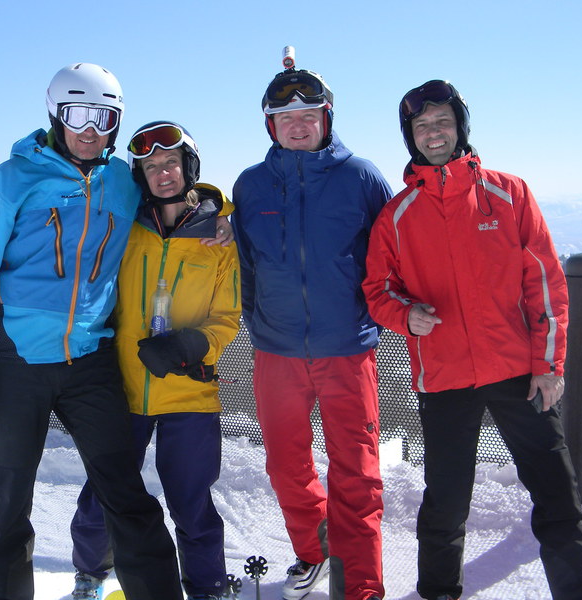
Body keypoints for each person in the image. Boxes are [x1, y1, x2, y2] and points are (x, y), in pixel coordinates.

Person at [0, 63, 185, 600]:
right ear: (56, 115)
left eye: (104, 117)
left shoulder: (122, 182)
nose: (90, 129)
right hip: (16, 364)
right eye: (77, 115)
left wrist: (210, 211)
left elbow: (174, 199)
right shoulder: (11, 180)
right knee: (7, 500)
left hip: (90, 360)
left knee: (126, 492)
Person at [362, 80, 582, 600]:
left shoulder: (508, 193)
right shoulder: (397, 215)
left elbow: (545, 283)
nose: (433, 133)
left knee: (557, 494)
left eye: (442, 122)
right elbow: (377, 290)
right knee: (446, 500)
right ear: (410, 136)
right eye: (422, 126)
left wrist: (549, 365)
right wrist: (406, 315)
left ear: (461, 127)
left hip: (520, 372)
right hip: (444, 376)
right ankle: (438, 592)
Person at [231, 49, 393, 600]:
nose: (297, 126)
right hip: (276, 351)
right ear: (270, 126)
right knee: (285, 465)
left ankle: (361, 587)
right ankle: (317, 550)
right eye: (285, 118)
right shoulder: (251, 185)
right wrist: (259, 322)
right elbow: (245, 264)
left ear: (327, 118)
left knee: (356, 472)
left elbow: (392, 252)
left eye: (308, 116)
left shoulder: (360, 177)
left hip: (346, 350)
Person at [68, 121, 241, 600]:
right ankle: (90, 574)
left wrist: (190, 345)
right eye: (150, 167)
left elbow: (227, 316)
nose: (162, 173)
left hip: (189, 388)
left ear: (189, 167)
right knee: (103, 494)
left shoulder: (219, 238)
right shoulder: (125, 227)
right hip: (123, 387)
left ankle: (206, 587)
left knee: (190, 499)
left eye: (170, 163)